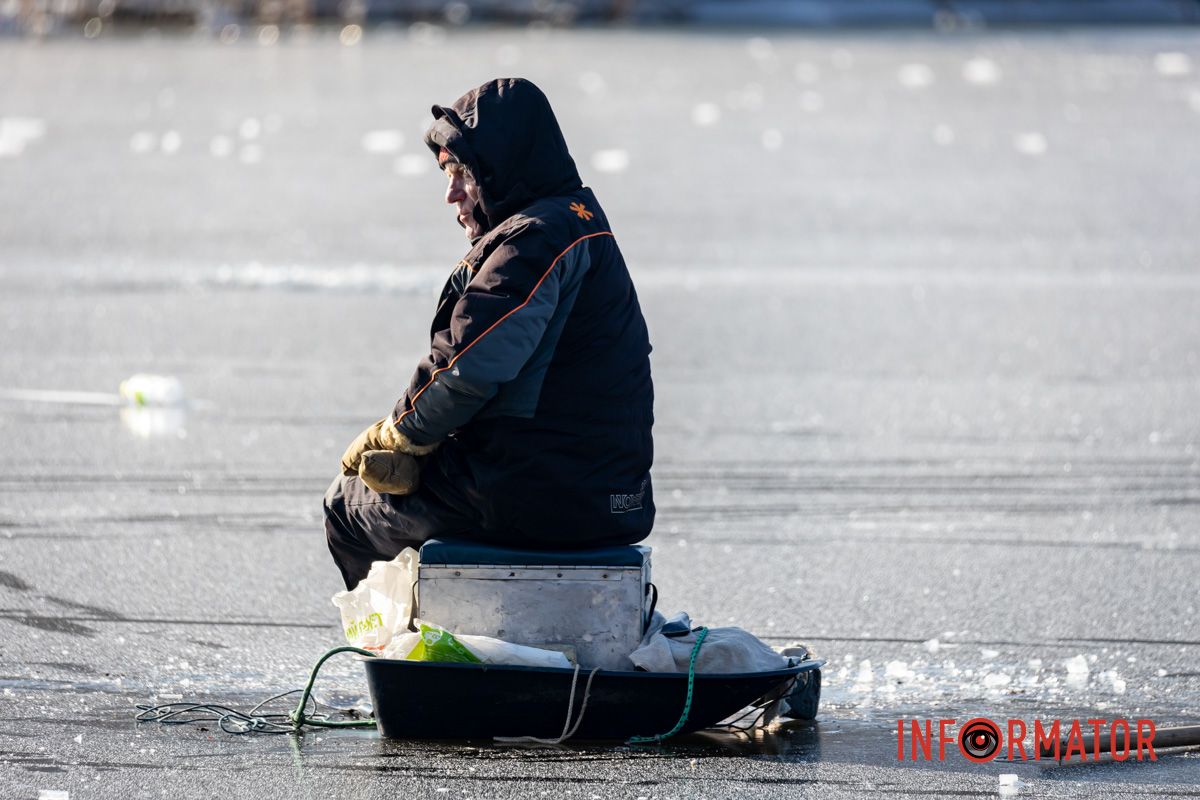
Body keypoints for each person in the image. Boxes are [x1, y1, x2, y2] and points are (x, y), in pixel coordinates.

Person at [323, 78, 655, 591]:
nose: (450, 192)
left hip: (530, 492)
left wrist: (400, 433)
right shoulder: (582, 224)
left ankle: (410, 655)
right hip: (613, 503)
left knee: (347, 504)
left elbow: (467, 365)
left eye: (460, 171)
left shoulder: (533, 239)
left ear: (500, 164)